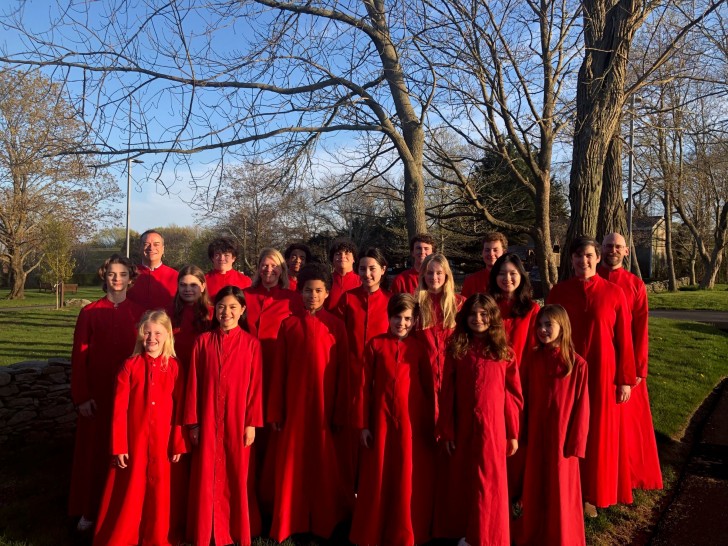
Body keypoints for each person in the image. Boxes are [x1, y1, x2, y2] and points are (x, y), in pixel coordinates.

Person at [547, 236, 636, 516]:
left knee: (598, 432)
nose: (583, 261)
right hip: (566, 371)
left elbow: (624, 338)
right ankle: (566, 486)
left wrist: (625, 379)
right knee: (568, 427)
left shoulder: (613, 293)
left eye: (588, 255)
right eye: (577, 256)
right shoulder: (558, 293)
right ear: (570, 260)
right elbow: (548, 334)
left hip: (603, 371)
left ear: (597, 258)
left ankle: (593, 492)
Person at [267, 263, 350, 542]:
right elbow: (279, 371)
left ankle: (325, 519)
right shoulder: (288, 325)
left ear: (327, 293)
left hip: (325, 408)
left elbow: (343, 371)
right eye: (307, 290)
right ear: (299, 293)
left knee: (324, 463)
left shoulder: (336, 326)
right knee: (294, 464)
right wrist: (276, 409)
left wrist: (340, 410)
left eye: (318, 291)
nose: (312, 296)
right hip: (295, 406)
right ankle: (291, 519)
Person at [93, 310, 187, 546]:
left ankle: (158, 536)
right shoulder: (130, 366)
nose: (151, 338)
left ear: (167, 336)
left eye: (157, 333)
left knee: (161, 492)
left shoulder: (175, 368)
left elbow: (181, 408)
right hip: (134, 441)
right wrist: (119, 445)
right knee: (131, 491)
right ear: (139, 335)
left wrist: (178, 441)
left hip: (163, 441)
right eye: (147, 333)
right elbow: (119, 410)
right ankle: (127, 535)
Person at [435, 294, 523, 545]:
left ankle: (489, 535)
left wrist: (512, 432)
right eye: (473, 314)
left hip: (493, 430)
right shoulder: (457, 349)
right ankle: (468, 532)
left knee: (489, 483)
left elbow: (513, 396)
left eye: (484, 314)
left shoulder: (503, 353)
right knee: (465, 481)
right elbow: (448, 392)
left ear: (493, 318)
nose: (478, 319)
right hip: (463, 427)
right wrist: (448, 430)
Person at [350, 293, 437, 546]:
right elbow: (364, 386)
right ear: (388, 317)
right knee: (379, 474)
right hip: (381, 421)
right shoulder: (375, 345)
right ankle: (373, 530)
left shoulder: (419, 349)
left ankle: (406, 530)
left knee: (406, 475)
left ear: (415, 320)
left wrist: (430, 423)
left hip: (411, 422)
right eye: (397, 317)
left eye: (408, 319)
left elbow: (428, 388)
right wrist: (364, 424)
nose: (402, 323)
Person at [69, 254, 144, 533]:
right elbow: (79, 356)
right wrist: (82, 396)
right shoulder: (89, 312)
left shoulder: (139, 312)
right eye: (112, 274)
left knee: (124, 451)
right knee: (93, 452)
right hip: (97, 394)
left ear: (130, 279)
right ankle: (89, 508)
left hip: (129, 394)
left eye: (123, 274)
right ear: (105, 276)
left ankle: (123, 510)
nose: (117, 279)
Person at [184, 286, 263, 546]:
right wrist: (193, 422)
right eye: (221, 307)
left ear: (242, 311)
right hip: (207, 419)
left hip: (237, 421)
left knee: (237, 474)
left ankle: (234, 529)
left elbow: (255, 387)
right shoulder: (202, 342)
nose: (226, 312)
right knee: (206, 474)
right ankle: (205, 530)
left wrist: (251, 422)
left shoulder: (252, 344)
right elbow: (193, 384)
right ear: (214, 310)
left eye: (232, 307)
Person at [516, 305, 590, 546]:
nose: (543, 330)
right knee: (535, 486)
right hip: (537, 435)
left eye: (549, 325)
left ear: (562, 327)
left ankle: (563, 537)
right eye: (540, 325)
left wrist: (576, 444)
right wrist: (521, 431)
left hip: (562, 440)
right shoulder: (533, 359)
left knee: (561, 490)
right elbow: (523, 397)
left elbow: (582, 408)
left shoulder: (577, 364)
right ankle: (534, 534)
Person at [599, 233, 663, 491]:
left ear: (626, 251)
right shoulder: (591, 278)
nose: (612, 250)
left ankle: (625, 473)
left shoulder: (635, 285)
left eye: (617, 247)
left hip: (625, 364)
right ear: (601, 249)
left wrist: (638, 369)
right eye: (608, 246)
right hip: (597, 358)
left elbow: (640, 329)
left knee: (627, 425)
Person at [244, 248, 301, 517]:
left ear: (282, 269)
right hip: (247, 375)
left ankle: (272, 499)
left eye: (274, 266)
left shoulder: (292, 299)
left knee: (274, 436)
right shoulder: (245, 296)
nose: (269, 271)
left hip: (279, 374)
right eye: (264, 266)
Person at [334, 248, 392, 497]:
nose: (367, 274)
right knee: (350, 431)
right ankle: (349, 486)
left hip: (380, 378)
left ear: (383, 270)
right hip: (350, 374)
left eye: (372, 269)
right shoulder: (348, 299)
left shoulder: (391, 301)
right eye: (362, 269)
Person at [488, 253, 540, 505]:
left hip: (521, 382)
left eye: (512, 274)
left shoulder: (531, 309)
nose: (507, 279)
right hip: (490, 383)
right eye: (501, 274)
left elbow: (535, 348)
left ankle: (515, 492)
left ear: (521, 277)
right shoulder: (487, 307)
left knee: (516, 437)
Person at [169, 265, 212, 539]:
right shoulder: (168, 314)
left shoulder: (210, 316)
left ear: (203, 287)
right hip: (172, 384)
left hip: (202, 385)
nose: (188, 289)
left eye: (193, 285)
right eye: (183, 284)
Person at [415, 253, 463, 411]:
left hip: (454, 375)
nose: (434, 277)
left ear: (446, 275)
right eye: (429, 273)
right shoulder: (415, 306)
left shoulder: (460, 304)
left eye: (438, 273)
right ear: (423, 275)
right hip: (423, 376)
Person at [127, 230, 178, 311]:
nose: (151, 248)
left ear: (163, 249)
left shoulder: (176, 277)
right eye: (146, 244)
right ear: (140, 248)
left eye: (156, 244)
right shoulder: (129, 274)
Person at [461, 232, 508, 298]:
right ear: (482, 253)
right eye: (487, 250)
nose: (491, 254)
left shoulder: (510, 281)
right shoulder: (471, 281)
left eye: (495, 250)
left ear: (504, 252)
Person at [326, 237, 361, 310]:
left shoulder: (361, 281)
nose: (342, 256)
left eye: (347, 253)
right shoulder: (325, 280)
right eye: (338, 254)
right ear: (332, 258)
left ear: (354, 258)